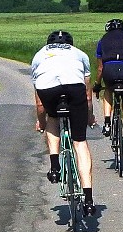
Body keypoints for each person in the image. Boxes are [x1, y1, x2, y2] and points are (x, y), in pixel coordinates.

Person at [30, 29, 96, 218]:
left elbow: (39, 104)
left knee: (52, 117)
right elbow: (87, 95)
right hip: (75, 89)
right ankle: (89, 201)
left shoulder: (39, 55)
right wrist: (89, 116)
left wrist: (41, 122)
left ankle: (54, 166)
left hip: (47, 89)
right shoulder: (80, 54)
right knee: (80, 142)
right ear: (71, 44)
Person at [93, 18, 123, 164]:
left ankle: (107, 122)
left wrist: (97, 84)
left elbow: (100, 68)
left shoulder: (103, 40)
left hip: (110, 70)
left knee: (108, 90)